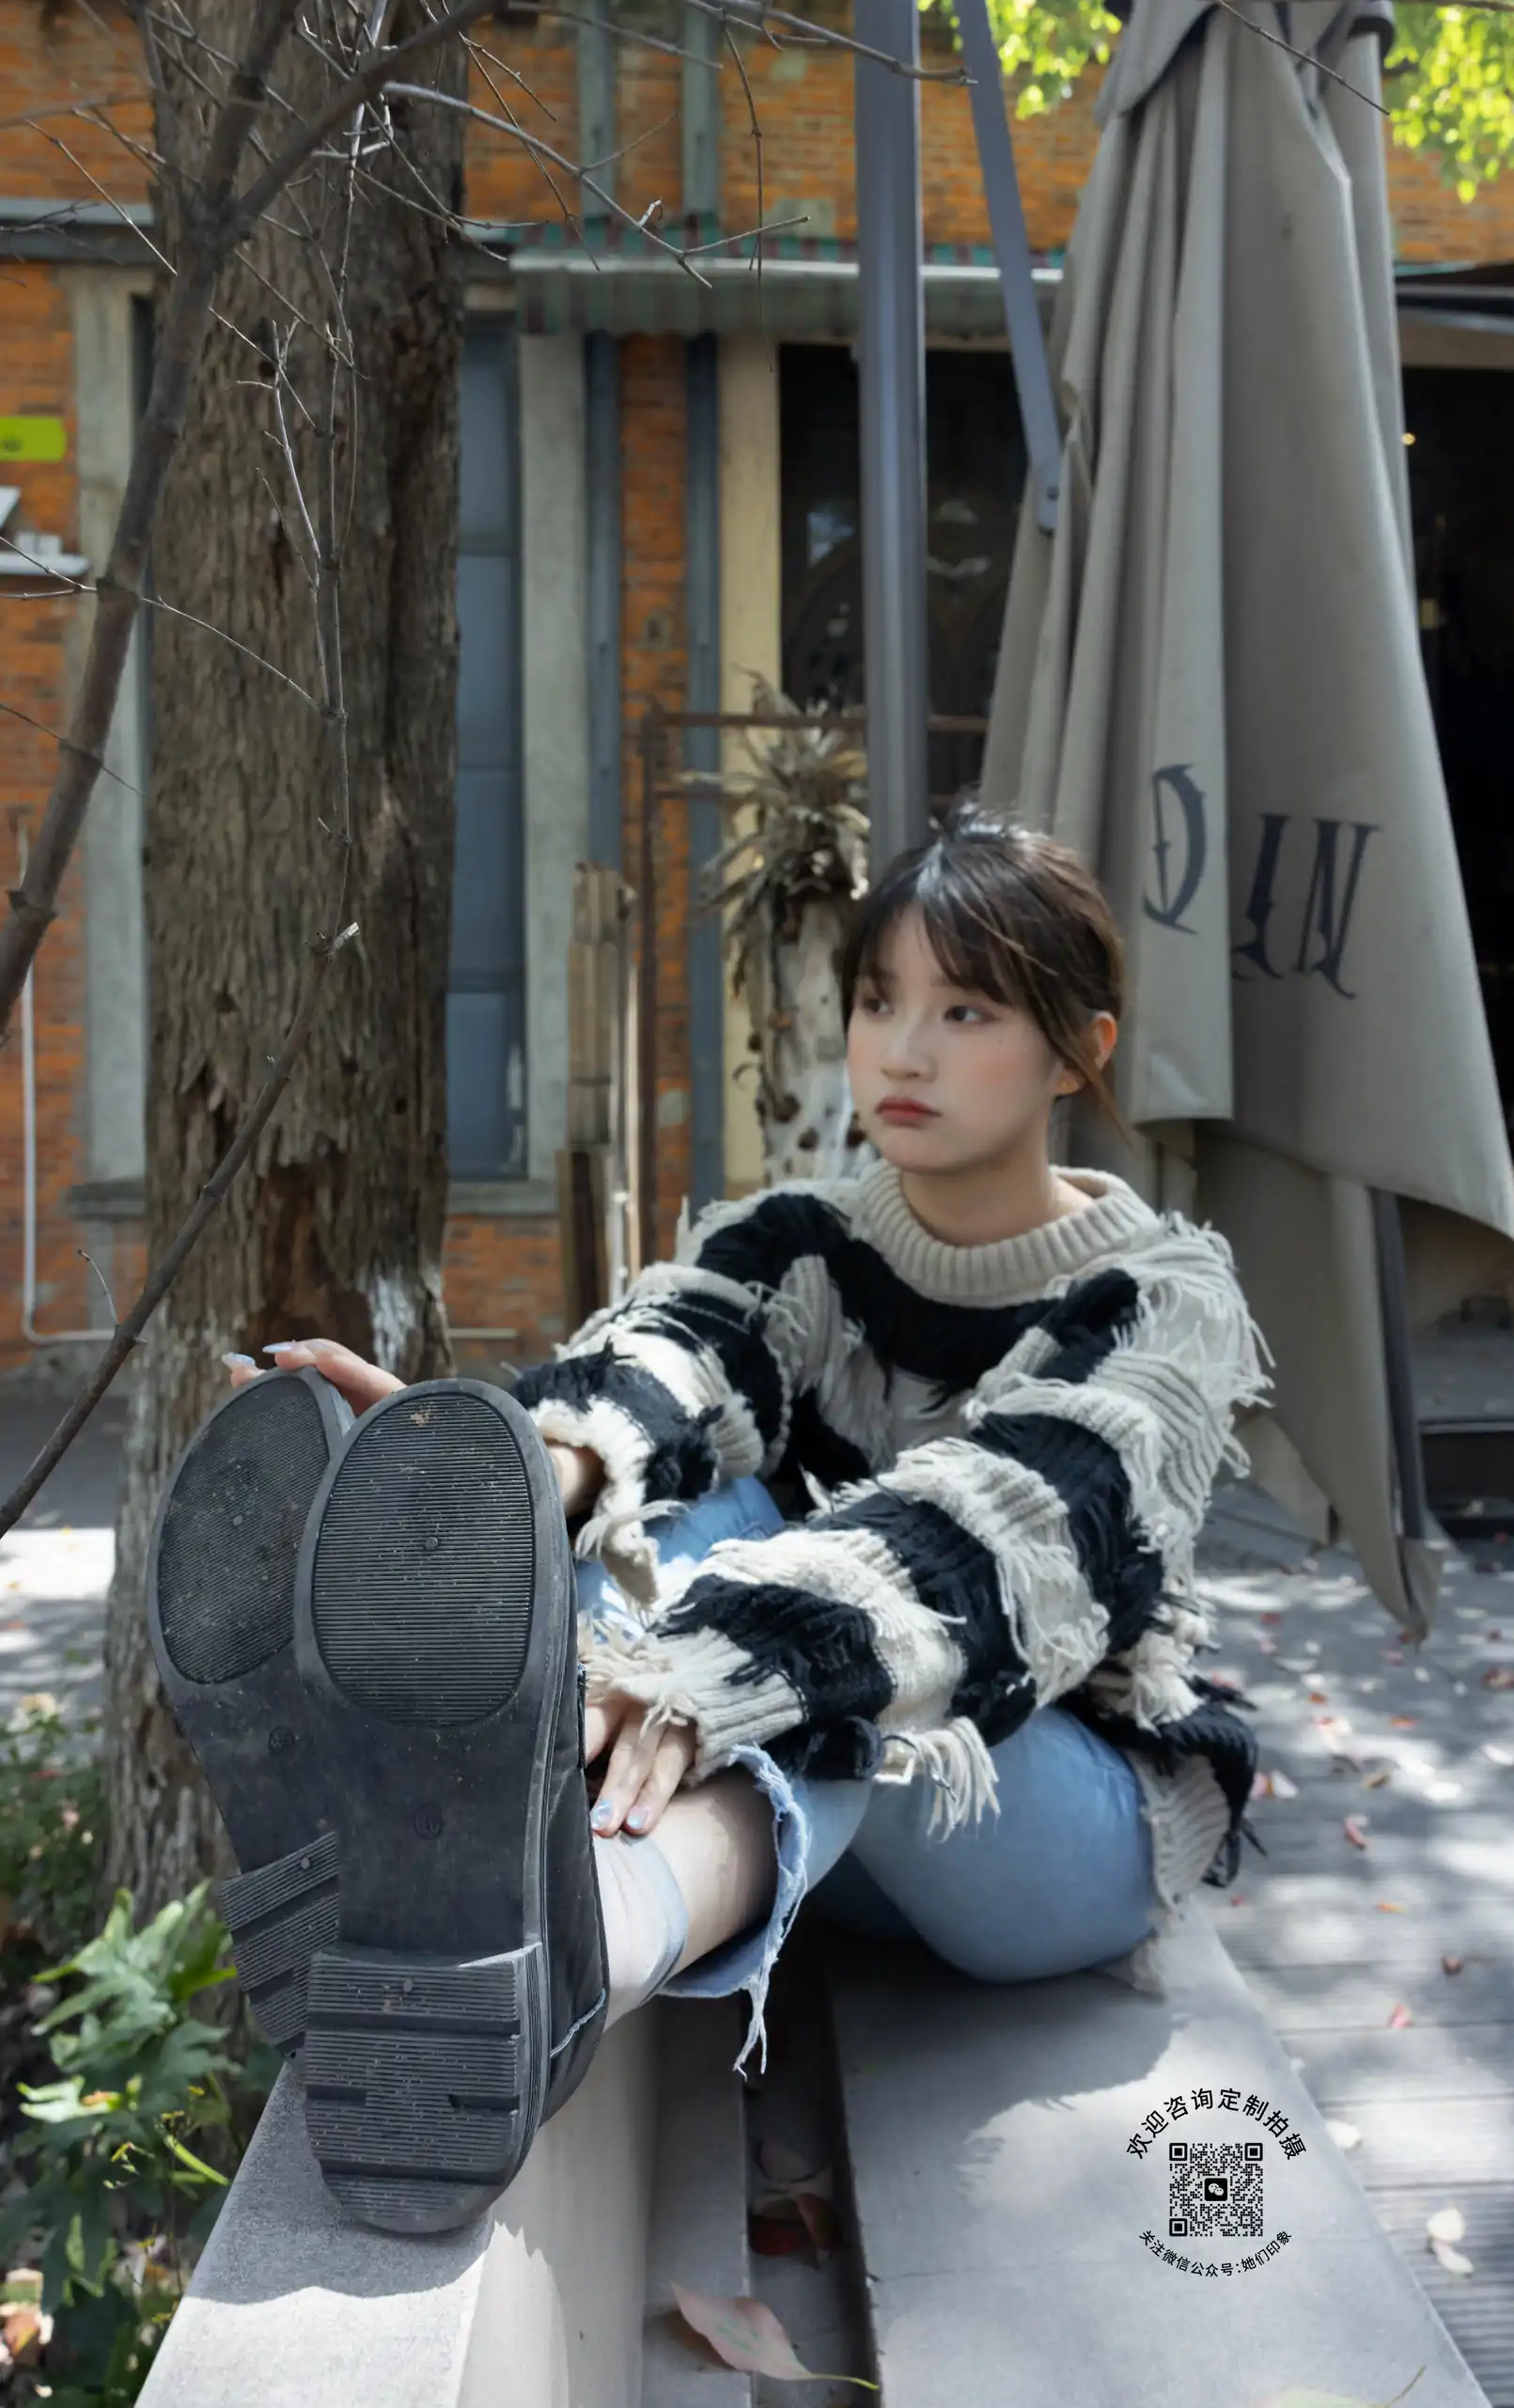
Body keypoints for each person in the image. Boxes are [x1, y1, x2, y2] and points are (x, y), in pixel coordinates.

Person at [147, 803, 1271, 2241]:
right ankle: (424, 1875)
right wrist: (515, 1476)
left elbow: (986, 1549)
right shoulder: (803, 1239)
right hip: (833, 1856)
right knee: (690, 1519)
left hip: (1057, 1838)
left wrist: (719, 1665)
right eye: (878, 1001)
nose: (903, 1051)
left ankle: (584, 1947)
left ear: (1076, 1051)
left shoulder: (1158, 1300)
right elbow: (672, 1364)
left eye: (965, 1010)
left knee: (852, 1666)